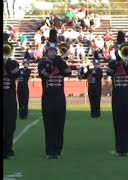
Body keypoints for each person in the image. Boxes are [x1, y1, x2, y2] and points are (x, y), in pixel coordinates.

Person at [38, 29, 72, 159]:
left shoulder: (60, 61)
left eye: (54, 50)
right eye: (51, 51)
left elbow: (68, 72)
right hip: (47, 98)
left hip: (59, 98)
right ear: (47, 51)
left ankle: (58, 150)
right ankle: (49, 151)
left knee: (59, 124)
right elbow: (44, 75)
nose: (53, 52)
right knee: (49, 125)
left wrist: (60, 62)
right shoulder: (42, 63)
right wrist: (52, 65)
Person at [3, 42, 20, 160]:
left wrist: (7, 61)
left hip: (9, 99)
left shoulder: (13, 63)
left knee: (10, 126)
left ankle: (8, 151)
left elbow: (16, 74)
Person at [79, 53, 103, 118]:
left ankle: (97, 114)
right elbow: (83, 77)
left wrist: (92, 70)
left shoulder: (99, 70)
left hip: (97, 88)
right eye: (95, 63)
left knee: (97, 101)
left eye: (97, 64)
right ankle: (93, 113)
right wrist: (82, 69)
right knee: (91, 101)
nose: (96, 65)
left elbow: (99, 76)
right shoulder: (90, 70)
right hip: (91, 88)